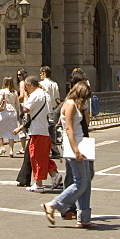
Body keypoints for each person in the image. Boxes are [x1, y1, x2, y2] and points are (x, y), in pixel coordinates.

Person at [42, 82, 93, 226]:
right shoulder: (70, 104)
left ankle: (84, 217)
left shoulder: (77, 105)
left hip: (81, 142)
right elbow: (68, 128)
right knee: (80, 182)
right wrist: (76, 149)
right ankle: (53, 204)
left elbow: (86, 123)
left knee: (86, 182)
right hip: (74, 144)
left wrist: (84, 110)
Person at [21, 74, 62, 191]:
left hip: (37, 129)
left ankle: (38, 183)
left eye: (26, 87)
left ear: (29, 85)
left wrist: (25, 97)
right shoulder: (45, 94)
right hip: (45, 129)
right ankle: (54, 174)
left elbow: (26, 109)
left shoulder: (35, 95)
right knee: (42, 156)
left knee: (36, 156)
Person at [0, 76, 19, 156]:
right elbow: (17, 104)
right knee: (11, 131)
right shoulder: (15, 92)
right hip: (13, 112)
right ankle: (11, 150)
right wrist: (18, 114)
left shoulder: (2, 91)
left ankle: (2, 147)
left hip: (5, 112)